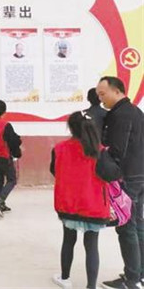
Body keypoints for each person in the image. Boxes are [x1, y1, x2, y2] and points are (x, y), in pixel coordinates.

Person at [50, 112, 112, 289]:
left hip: (68, 203)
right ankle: (91, 286)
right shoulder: (99, 150)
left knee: (68, 240)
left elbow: (54, 170)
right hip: (93, 205)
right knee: (91, 245)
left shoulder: (59, 148)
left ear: (71, 128)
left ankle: (65, 278)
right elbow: (111, 174)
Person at [96, 76, 144, 289]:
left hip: (127, 178)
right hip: (140, 174)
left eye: (103, 94)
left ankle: (131, 280)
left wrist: (106, 172)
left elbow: (116, 150)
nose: (101, 99)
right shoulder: (136, 111)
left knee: (126, 227)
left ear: (117, 91)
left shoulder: (120, 114)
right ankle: (139, 274)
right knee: (138, 224)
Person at [0, 100, 22, 218]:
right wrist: (17, 150)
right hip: (4, 155)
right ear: (4, 111)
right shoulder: (6, 125)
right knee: (12, 179)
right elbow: (13, 141)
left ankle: (0, 204)